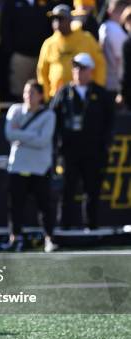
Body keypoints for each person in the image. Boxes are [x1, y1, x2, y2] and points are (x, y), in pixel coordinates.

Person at [51, 53, 115, 229]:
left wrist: (105, 144)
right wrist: (57, 147)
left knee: (92, 190)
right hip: (69, 151)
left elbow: (110, 121)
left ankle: (91, 227)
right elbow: (52, 119)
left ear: (91, 71)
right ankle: (64, 228)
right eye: (76, 68)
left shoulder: (100, 94)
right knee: (67, 191)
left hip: (93, 151)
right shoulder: (64, 92)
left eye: (82, 68)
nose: (78, 72)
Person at [3, 79, 57, 252]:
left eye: (32, 93)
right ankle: (14, 239)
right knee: (16, 206)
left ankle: (49, 239)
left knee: (44, 206)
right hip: (17, 167)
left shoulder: (49, 115)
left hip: (40, 168)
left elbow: (43, 140)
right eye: (26, 92)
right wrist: (31, 134)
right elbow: (9, 134)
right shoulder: (15, 110)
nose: (28, 96)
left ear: (41, 96)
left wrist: (21, 135)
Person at [37, 4, 106, 100]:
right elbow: (42, 71)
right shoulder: (49, 43)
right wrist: (46, 95)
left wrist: (97, 90)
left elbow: (100, 64)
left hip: (84, 95)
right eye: (54, 19)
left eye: (60, 19)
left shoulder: (86, 38)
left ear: (70, 20)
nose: (57, 23)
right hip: (56, 97)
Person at [99, 0, 129, 94]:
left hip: (108, 80)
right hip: (115, 84)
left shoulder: (105, 27)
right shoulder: (114, 30)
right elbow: (119, 59)